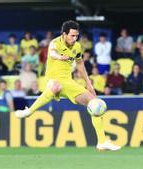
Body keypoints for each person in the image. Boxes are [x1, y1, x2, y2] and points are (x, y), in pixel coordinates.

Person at [15, 20, 120, 151]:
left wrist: (89, 84)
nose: (75, 38)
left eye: (77, 36)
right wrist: (60, 57)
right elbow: (52, 53)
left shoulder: (77, 47)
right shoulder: (55, 43)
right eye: (72, 35)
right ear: (64, 34)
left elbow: (80, 65)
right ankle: (29, 111)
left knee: (94, 102)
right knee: (56, 87)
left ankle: (102, 142)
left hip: (69, 82)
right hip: (53, 79)